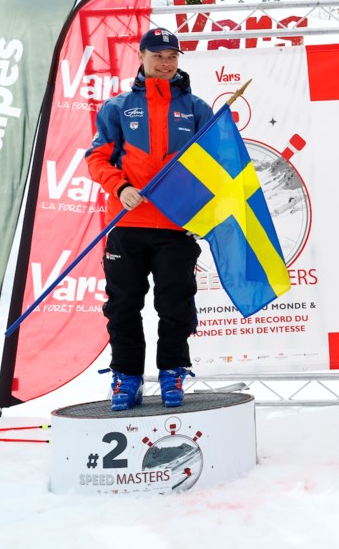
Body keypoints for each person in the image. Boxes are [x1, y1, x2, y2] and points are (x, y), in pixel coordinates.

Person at [86, 28, 213, 411]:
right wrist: (120, 187)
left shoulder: (196, 108)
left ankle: (173, 371)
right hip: (126, 225)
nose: (166, 62)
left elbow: (215, 164)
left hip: (174, 227)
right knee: (123, 305)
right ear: (140, 56)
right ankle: (126, 377)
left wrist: (192, 194)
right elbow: (97, 159)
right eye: (157, 55)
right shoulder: (118, 107)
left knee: (175, 304)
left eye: (172, 55)